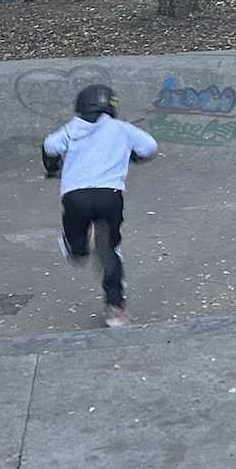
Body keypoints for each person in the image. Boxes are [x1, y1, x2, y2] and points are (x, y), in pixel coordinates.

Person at [41, 84, 158, 328]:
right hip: (110, 196)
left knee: (76, 251)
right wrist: (134, 156)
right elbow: (149, 147)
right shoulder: (122, 129)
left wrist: (53, 167)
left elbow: (50, 145)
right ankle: (116, 308)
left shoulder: (73, 128)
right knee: (111, 251)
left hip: (76, 196)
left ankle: (81, 242)